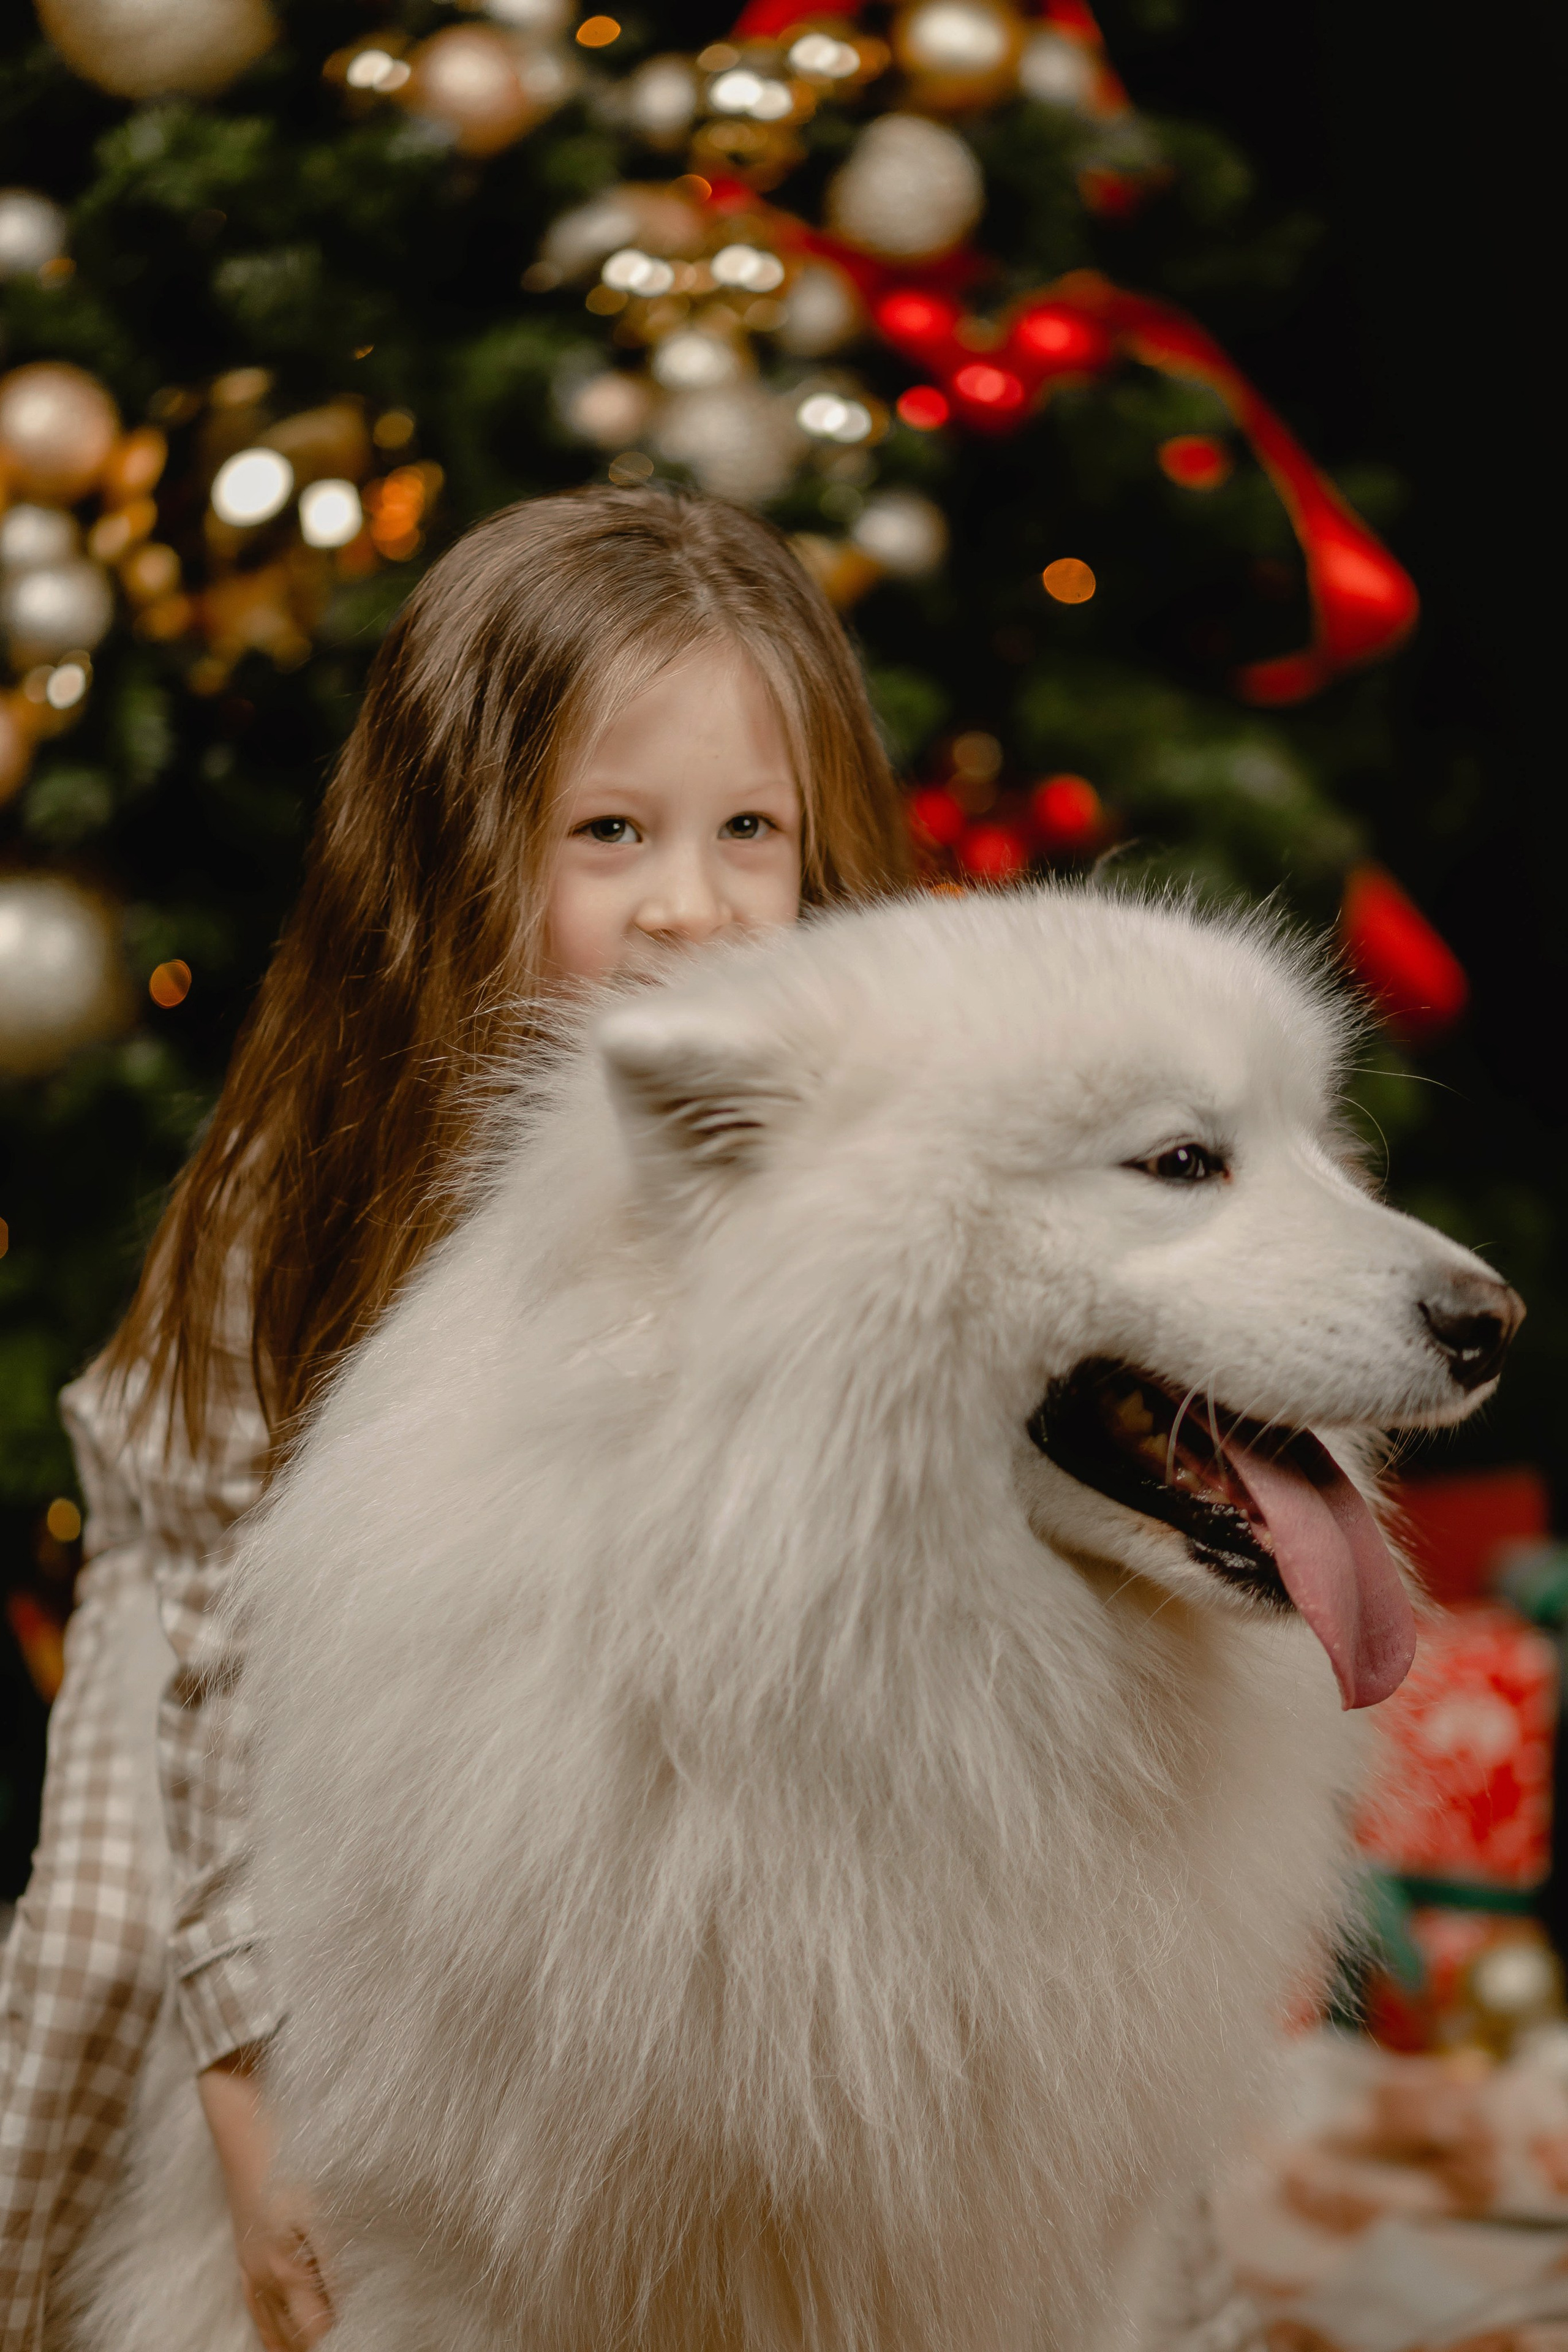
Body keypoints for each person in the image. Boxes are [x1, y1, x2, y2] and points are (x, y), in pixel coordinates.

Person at [0, 486, 910, 2352]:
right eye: (609, 834)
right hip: (214, 1623)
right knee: (99, 1977)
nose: (691, 902)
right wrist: (256, 2105)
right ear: (457, 854)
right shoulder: (322, 1167)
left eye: (752, 830)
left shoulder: (841, 1133)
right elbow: (223, 1671)